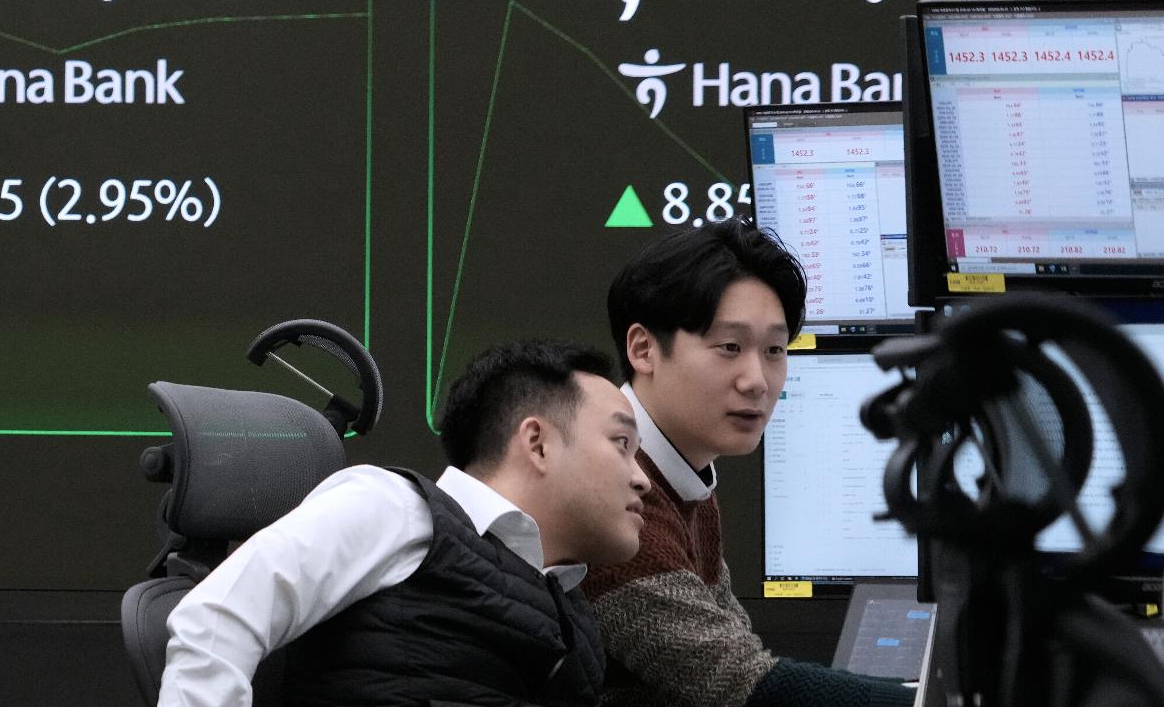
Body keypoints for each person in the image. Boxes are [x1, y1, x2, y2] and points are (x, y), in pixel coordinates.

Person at [159, 338, 652, 707]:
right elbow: (216, 621)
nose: (642, 479)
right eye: (621, 444)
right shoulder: (393, 507)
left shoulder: (575, 616)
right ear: (538, 443)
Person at [585, 220, 914, 707]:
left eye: (775, 350)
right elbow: (737, 684)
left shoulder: (684, 475)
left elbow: (735, 651)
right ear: (643, 348)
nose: (758, 380)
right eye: (730, 348)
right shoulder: (608, 487)